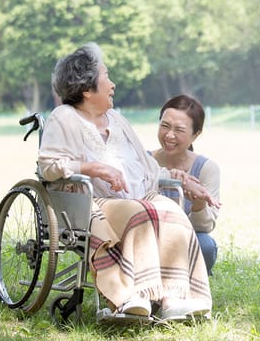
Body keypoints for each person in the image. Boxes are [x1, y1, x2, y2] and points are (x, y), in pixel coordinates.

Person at [38, 43, 211, 323]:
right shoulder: (64, 117)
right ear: (87, 90)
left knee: (172, 212)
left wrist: (182, 179)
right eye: (106, 77)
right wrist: (92, 168)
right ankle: (132, 295)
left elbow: (147, 168)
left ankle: (173, 298)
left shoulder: (117, 120)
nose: (113, 85)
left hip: (137, 197)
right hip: (91, 202)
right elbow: (47, 165)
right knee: (138, 212)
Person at [150, 94, 222, 275]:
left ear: (195, 135)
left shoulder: (207, 168)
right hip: (147, 235)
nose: (169, 135)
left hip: (186, 236)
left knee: (205, 246)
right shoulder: (145, 161)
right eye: (165, 126)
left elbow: (204, 228)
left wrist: (199, 204)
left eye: (179, 130)